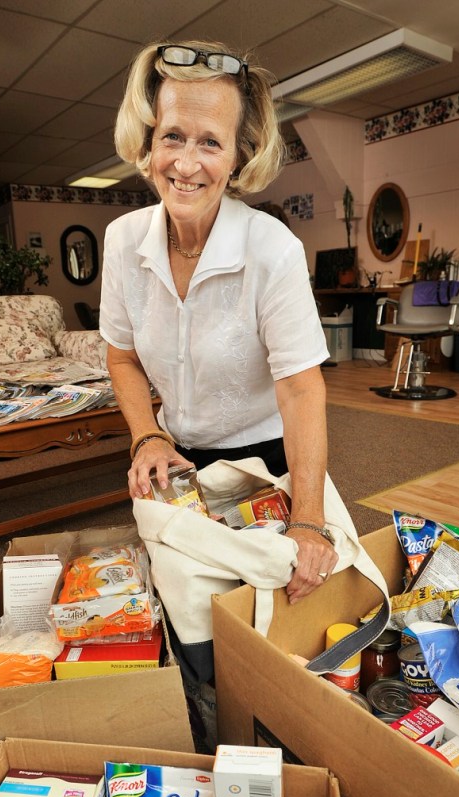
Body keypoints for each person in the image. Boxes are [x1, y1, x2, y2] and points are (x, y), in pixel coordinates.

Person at [100, 40, 337, 603]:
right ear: (148, 142)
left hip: (269, 461)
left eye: (211, 142)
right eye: (173, 136)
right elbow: (122, 356)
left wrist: (308, 520)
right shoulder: (122, 239)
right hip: (176, 461)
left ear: (238, 158)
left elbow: (302, 389)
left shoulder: (272, 248)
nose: (186, 163)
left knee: (279, 599)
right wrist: (147, 437)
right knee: (184, 604)